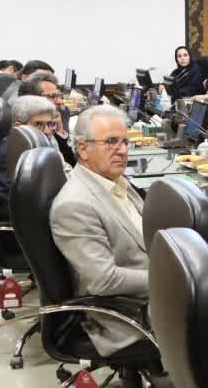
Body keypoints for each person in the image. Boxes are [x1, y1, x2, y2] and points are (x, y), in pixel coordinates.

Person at [50, 106, 151, 355]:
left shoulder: (114, 181)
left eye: (125, 142)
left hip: (152, 294)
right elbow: (103, 280)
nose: (123, 150)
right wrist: (172, 280)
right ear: (83, 149)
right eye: (111, 142)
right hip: (128, 315)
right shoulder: (75, 205)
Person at [0, 95, 62, 216]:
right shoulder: (10, 153)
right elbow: (10, 208)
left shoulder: (37, 145)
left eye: (50, 124)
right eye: (38, 124)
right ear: (19, 127)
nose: (47, 131)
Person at [16, 70, 76, 167]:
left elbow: (69, 164)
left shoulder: (49, 126)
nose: (60, 101)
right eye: (52, 96)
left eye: (58, 96)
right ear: (32, 98)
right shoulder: (25, 138)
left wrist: (60, 132)